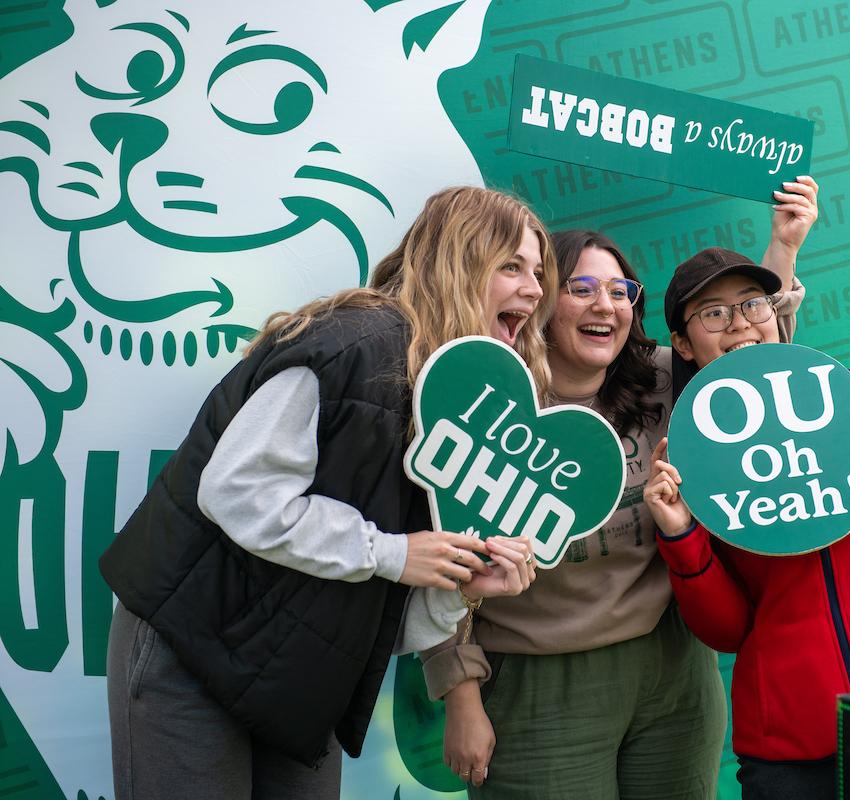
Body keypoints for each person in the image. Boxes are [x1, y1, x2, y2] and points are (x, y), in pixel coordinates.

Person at [99, 186, 551, 800]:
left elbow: (390, 609)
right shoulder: (353, 345)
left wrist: (457, 593)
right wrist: (392, 553)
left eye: (539, 272)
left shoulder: (462, 404)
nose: (535, 289)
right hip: (193, 643)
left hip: (299, 676)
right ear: (459, 262)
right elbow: (235, 491)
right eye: (511, 266)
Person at [419, 178, 821, 799]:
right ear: (539, 303)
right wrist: (461, 696)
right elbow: (443, 555)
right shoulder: (486, 399)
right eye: (579, 289)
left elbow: (755, 367)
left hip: (672, 669)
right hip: (537, 680)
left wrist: (783, 248)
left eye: (618, 290)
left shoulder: (666, 378)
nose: (603, 304)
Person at [643, 248, 850, 800]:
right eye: (714, 313)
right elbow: (726, 631)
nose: (741, 323)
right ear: (681, 343)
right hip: (788, 750)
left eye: (754, 304)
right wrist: (680, 534)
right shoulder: (689, 462)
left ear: (776, 314)